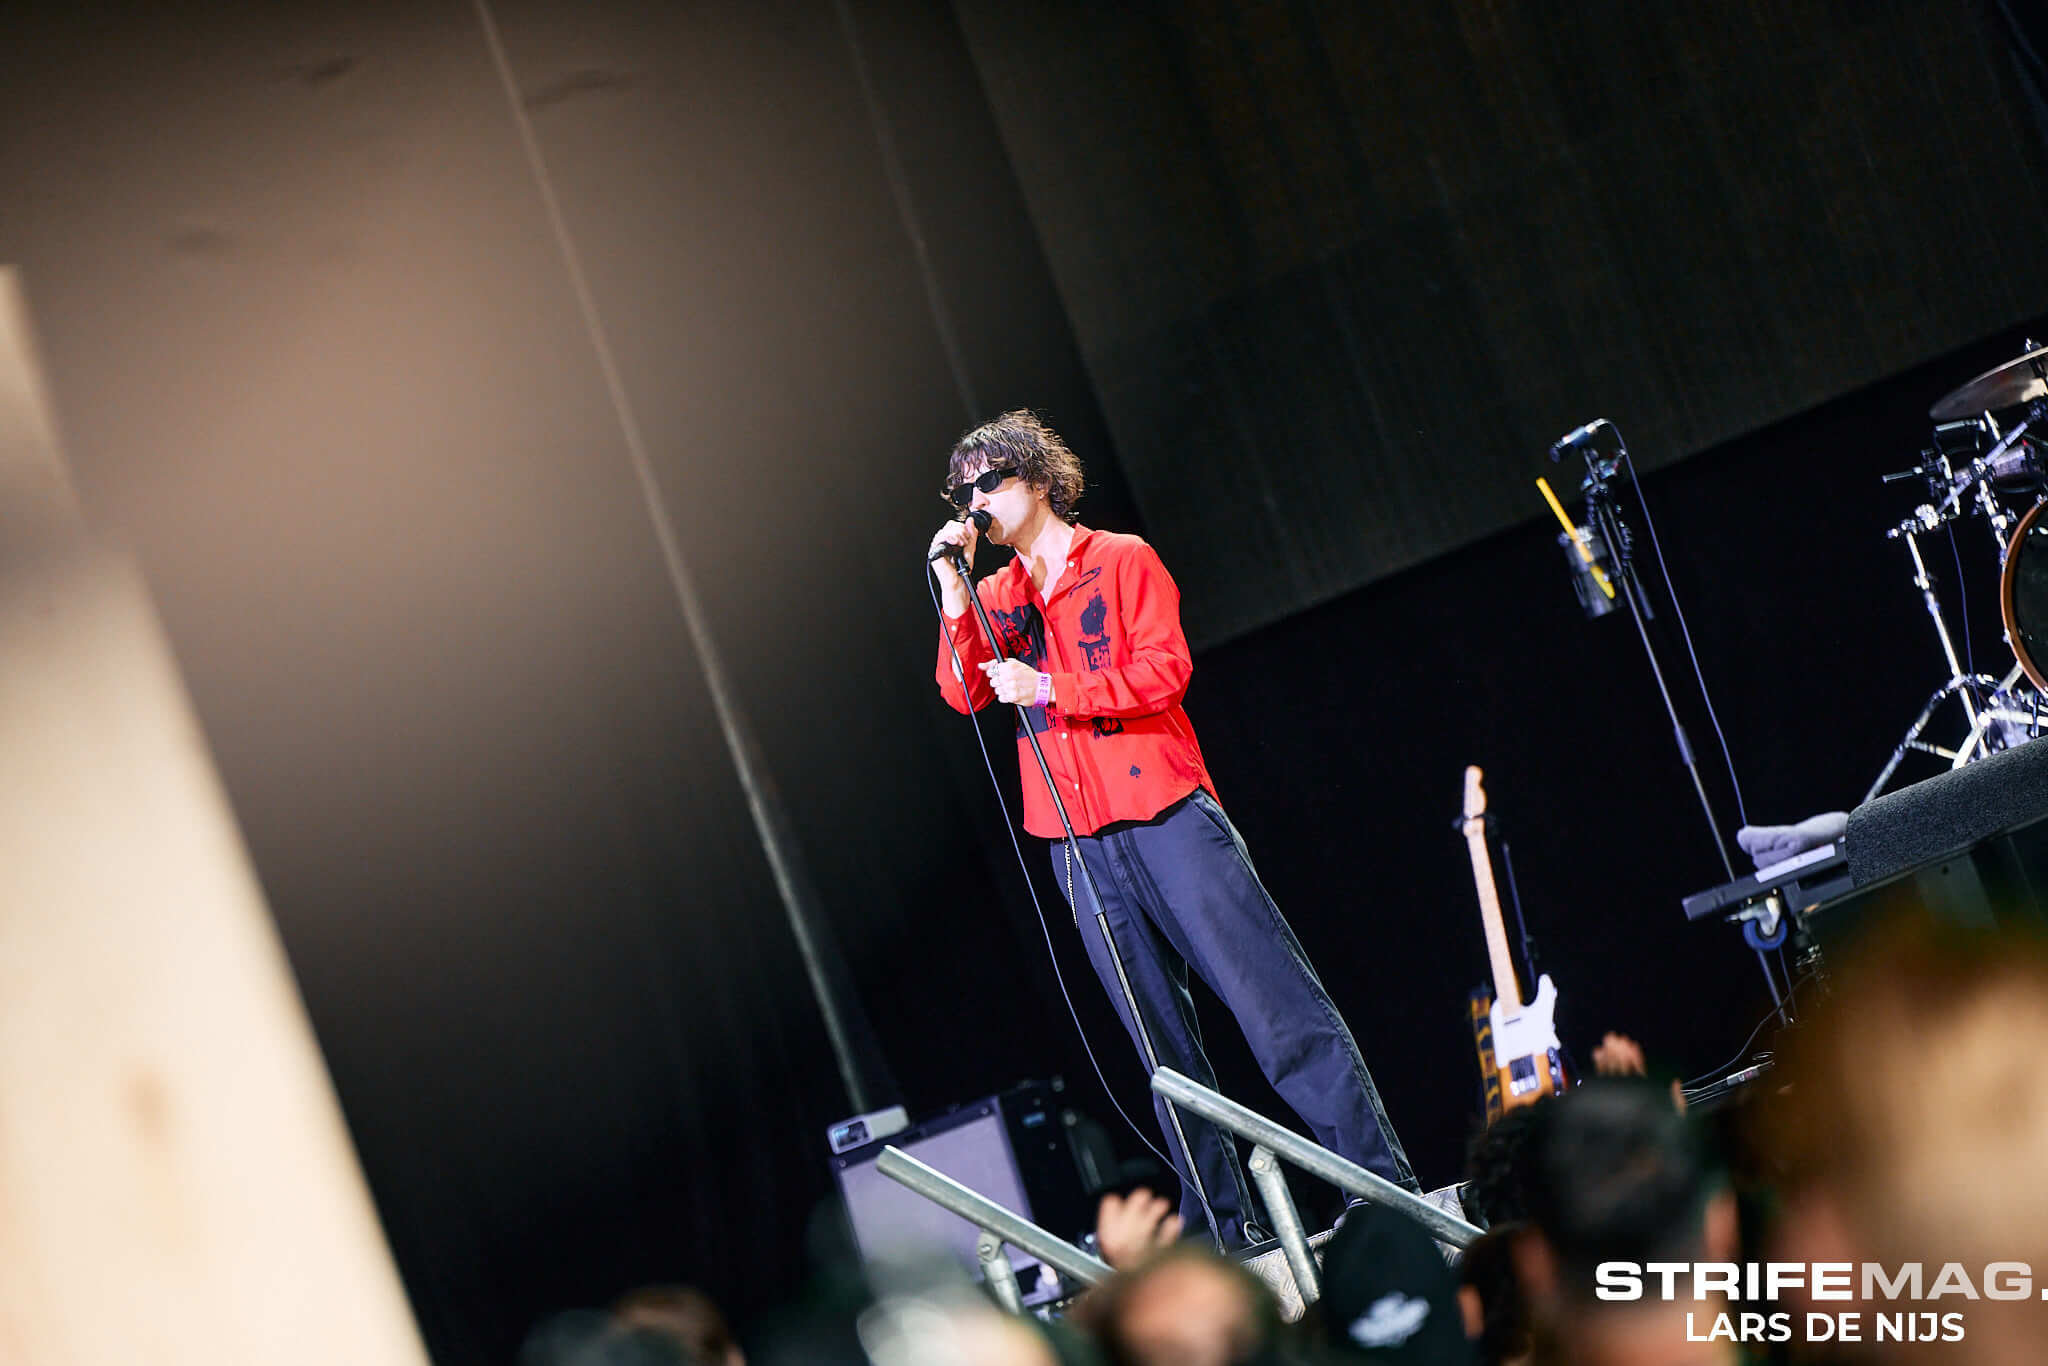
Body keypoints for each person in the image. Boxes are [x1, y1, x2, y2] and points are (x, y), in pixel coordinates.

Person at [928, 410, 1415, 1248]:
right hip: (1078, 844)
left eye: (990, 482)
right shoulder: (996, 596)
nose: (976, 502)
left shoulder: (1121, 558)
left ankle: (1380, 1188)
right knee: (1162, 1052)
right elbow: (962, 693)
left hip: (1166, 815)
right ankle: (1223, 1232)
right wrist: (951, 590)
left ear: (1038, 480)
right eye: (962, 491)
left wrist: (1051, 690)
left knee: (1273, 1007)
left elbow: (1165, 671)